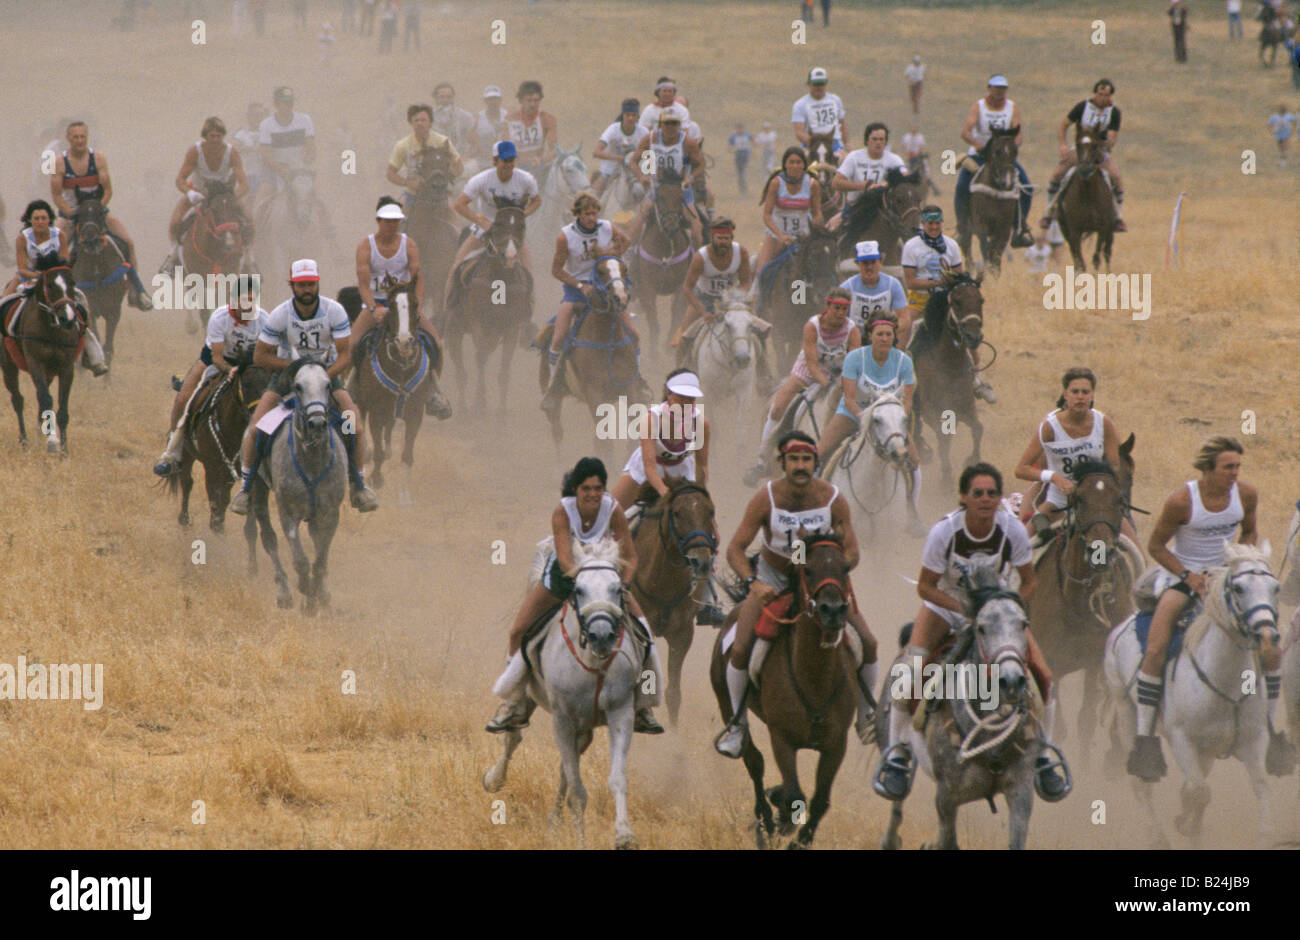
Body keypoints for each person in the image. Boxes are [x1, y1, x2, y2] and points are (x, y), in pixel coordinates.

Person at [873, 462, 1069, 802]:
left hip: (996, 612)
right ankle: (897, 754)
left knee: (1044, 676)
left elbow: (1030, 581)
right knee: (909, 673)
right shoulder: (944, 533)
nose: (985, 499)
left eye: (992, 493)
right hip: (946, 609)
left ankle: (1042, 755)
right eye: (977, 493)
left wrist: (1007, 606)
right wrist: (961, 609)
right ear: (963, 497)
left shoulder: (1013, 530)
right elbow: (925, 587)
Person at [1126, 437, 1290, 780]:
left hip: (1229, 578)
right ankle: (1145, 739)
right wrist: (1188, 576)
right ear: (1208, 469)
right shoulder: (1182, 500)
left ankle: (1271, 731)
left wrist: (1245, 561)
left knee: (1270, 645)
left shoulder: (1245, 494)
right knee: (1155, 648)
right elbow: (1156, 546)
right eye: (1227, 467)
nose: (1234, 473)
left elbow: (1250, 531)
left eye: (1237, 467)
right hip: (1185, 578)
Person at [718, 430, 881, 755]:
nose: (801, 466)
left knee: (869, 641)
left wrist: (835, 570)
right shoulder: (765, 498)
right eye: (794, 459)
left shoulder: (834, 498)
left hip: (822, 581)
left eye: (806, 459)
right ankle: (737, 725)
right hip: (774, 576)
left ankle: (865, 715)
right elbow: (735, 549)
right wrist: (755, 584)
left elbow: (853, 552)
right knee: (739, 647)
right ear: (783, 462)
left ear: (815, 461)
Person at [486, 457, 664, 735]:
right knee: (517, 632)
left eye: (598, 488)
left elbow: (630, 556)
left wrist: (623, 585)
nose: (593, 494)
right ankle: (514, 703)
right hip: (563, 580)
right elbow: (567, 561)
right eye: (586, 488)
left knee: (646, 636)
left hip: (606, 581)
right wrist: (584, 583)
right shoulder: (562, 512)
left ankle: (645, 703)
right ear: (575, 490)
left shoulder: (614, 509)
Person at [229, 259, 379, 516]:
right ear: (292, 286)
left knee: (353, 425)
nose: (306, 289)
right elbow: (260, 356)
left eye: (310, 284)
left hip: (327, 377)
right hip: (286, 379)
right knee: (257, 427)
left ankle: (358, 485)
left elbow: (345, 354)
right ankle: (247, 486)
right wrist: (294, 368)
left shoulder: (334, 312)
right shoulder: (280, 314)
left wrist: (320, 376)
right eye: (301, 285)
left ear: (317, 283)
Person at [609, 369, 722, 626]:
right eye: (681, 397)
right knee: (609, 514)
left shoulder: (701, 423)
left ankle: (706, 602)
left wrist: (702, 505)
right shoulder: (651, 419)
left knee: (710, 535)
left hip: (681, 469)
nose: (687, 404)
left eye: (691, 399)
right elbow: (650, 466)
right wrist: (666, 496)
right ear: (669, 396)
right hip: (646, 472)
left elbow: (702, 469)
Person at [1012, 367, 1136, 545]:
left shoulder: (1104, 423)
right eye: (1075, 391)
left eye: (1085, 392)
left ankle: (1101, 561)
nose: (1080, 396)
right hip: (1058, 503)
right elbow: (1020, 469)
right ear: (1065, 394)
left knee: (1134, 556)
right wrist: (1054, 477)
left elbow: (1114, 467)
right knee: (1021, 550)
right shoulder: (1049, 427)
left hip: (1096, 506)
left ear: (1092, 395)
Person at [153, 282, 267, 476]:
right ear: (233, 300)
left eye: (252, 300)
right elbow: (217, 357)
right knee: (184, 398)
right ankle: (172, 454)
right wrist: (231, 371)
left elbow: (265, 352)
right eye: (244, 300)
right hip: (216, 361)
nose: (248, 305)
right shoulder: (220, 317)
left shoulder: (264, 319)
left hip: (250, 366)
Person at [815, 311, 919, 523]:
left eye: (889, 334)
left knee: (915, 463)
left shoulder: (904, 362)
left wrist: (897, 418)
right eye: (880, 334)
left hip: (889, 419)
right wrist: (867, 418)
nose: (884, 338)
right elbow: (850, 398)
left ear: (894, 337)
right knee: (818, 452)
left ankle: (912, 513)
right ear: (870, 335)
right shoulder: (855, 358)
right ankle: (814, 508)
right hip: (853, 414)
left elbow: (907, 400)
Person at [746, 288, 859, 483]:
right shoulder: (812, 326)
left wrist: (842, 382)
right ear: (828, 306)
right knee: (778, 407)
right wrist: (826, 384)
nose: (841, 313)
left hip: (841, 376)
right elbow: (812, 364)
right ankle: (762, 461)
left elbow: (855, 362)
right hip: (808, 373)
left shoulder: (852, 329)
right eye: (837, 308)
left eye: (845, 309)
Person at [352, 197, 450, 417]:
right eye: (387, 221)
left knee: (437, 344)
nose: (392, 225)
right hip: (376, 304)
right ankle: (351, 390)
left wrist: (417, 306)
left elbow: (418, 277)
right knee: (352, 344)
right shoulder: (366, 246)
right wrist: (372, 308)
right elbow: (363, 284)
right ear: (378, 221)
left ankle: (433, 392)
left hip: (405, 305)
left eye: (395, 221)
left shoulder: (409, 244)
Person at [540, 192, 634, 414]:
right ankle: (553, 388)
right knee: (559, 336)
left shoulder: (606, 227)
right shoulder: (565, 236)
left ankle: (637, 380)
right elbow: (556, 270)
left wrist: (611, 257)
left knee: (634, 332)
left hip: (605, 286)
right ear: (578, 214)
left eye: (594, 213)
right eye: (587, 214)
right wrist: (581, 286)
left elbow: (626, 241)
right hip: (576, 291)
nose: (592, 218)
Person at [50, 121, 153, 310]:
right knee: (51, 247)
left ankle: (136, 291)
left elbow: (108, 190)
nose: (79, 141)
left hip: (97, 212)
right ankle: (50, 295)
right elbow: (56, 195)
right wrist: (72, 213)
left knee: (127, 242)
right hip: (71, 215)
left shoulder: (98, 158)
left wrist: (97, 211)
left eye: (83, 136)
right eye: (75, 137)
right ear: (68, 139)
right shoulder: (58, 162)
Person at [4, 199, 110, 378]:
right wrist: (39, 276)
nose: (39, 222)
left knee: (81, 303)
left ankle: (90, 353)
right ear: (30, 220)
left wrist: (52, 277)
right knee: (5, 301)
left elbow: (64, 262)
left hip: (55, 278)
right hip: (31, 277)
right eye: (36, 218)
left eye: (43, 218)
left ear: (49, 219)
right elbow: (22, 267)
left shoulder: (59, 235)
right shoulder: (23, 238)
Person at [901, 205, 994, 404]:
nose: (934, 227)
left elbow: (958, 274)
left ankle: (978, 379)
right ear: (923, 224)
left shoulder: (951, 245)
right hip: (920, 299)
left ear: (942, 223)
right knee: (904, 326)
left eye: (937, 223)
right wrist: (935, 283)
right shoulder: (911, 246)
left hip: (946, 299)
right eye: (929, 223)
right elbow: (910, 281)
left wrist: (966, 281)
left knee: (966, 327)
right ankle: (897, 372)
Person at [444, 140, 541, 312]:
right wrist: (480, 220)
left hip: (511, 234)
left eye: (512, 160)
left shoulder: (526, 180)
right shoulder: (481, 180)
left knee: (527, 265)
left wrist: (521, 215)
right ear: (495, 161)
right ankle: (449, 309)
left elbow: (537, 200)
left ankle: (529, 309)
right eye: (504, 161)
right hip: (485, 232)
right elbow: (459, 204)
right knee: (457, 264)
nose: (508, 165)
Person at [161, 117, 253, 276]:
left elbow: (244, 184)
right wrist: (190, 192)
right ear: (205, 136)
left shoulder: (231, 153)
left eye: (219, 136)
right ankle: (173, 256)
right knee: (176, 220)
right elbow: (180, 179)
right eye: (212, 136)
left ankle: (249, 261)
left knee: (249, 218)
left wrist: (232, 196)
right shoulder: (195, 152)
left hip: (224, 195)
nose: (216, 140)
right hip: (200, 194)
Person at [955, 75, 1034, 249]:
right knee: (962, 186)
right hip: (980, 154)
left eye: (1003, 88)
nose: (999, 91)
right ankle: (962, 228)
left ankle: (1020, 228)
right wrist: (978, 145)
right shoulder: (979, 106)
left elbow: (1017, 131)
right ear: (989, 88)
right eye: (996, 88)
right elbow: (966, 132)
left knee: (1027, 187)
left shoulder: (1012, 107)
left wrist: (1012, 146)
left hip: (1003, 157)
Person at [1039, 80, 1126, 232]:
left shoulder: (1114, 112)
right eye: (1099, 94)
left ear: (1110, 96)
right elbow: (1063, 125)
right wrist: (1063, 145)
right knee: (1057, 175)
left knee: (1116, 178)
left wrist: (1106, 145)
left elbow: (1112, 136)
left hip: (1100, 151)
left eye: (1106, 95)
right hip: (1080, 149)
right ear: (1095, 93)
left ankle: (1117, 216)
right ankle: (1049, 212)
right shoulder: (1082, 106)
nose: (1102, 98)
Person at [752, 146, 823, 307]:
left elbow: (818, 213)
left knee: (822, 267)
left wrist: (818, 224)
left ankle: (814, 302)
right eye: (791, 162)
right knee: (762, 270)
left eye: (799, 162)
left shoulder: (813, 184)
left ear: (804, 165)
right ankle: (759, 304)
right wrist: (781, 235)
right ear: (785, 164)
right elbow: (767, 215)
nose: (795, 166)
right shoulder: (776, 183)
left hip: (803, 235)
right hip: (778, 234)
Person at [626, 105, 705, 248]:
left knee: (696, 227)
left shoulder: (688, 142)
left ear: (679, 125)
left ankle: (698, 258)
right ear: (661, 124)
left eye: (674, 123)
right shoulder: (650, 139)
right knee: (640, 217)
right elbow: (633, 161)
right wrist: (641, 177)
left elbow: (700, 165)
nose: (670, 127)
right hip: (656, 187)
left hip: (681, 189)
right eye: (667, 123)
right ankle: (629, 253)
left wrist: (690, 179)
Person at [672, 216, 754, 349]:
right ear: (712, 238)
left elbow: (746, 281)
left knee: (757, 329)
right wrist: (703, 311)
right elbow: (687, 288)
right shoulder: (701, 257)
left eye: (726, 238)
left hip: (731, 300)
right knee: (685, 338)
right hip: (704, 297)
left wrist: (736, 297)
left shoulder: (741, 252)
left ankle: (763, 365)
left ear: (731, 238)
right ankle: (681, 367)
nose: (723, 242)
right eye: (720, 238)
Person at [830, 123, 906, 237]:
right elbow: (836, 183)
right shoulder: (854, 157)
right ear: (867, 140)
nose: (878, 142)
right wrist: (861, 186)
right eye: (874, 139)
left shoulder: (894, 160)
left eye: (881, 139)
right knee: (833, 234)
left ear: (885, 142)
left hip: (884, 208)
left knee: (908, 233)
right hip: (856, 207)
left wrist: (889, 184)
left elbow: (905, 179)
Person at [386, 104, 462, 212]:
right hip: (413, 195)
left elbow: (459, 165)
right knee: (395, 217)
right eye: (416, 120)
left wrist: (446, 178)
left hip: (440, 195)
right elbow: (390, 174)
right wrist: (408, 183)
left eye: (423, 120)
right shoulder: (402, 145)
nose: (419, 123)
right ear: (411, 122)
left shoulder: (442, 141)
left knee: (456, 218)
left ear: (430, 122)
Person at [839, 239, 909, 343]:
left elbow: (904, 318)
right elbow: (836, 318)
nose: (869, 267)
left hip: (883, 340)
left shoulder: (893, 285)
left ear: (881, 261)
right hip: (854, 340)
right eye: (865, 263)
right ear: (857, 263)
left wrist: (887, 331)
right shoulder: (846, 287)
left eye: (873, 262)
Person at [502, 81, 557, 189]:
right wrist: (517, 161)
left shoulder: (547, 119)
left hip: (538, 166)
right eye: (529, 100)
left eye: (536, 100)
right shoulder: (510, 119)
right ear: (521, 101)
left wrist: (542, 159)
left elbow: (554, 149)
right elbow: (505, 147)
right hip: (515, 165)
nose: (533, 104)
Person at [591, 99, 648, 199]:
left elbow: (651, 155)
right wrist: (619, 158)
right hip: (611, 170)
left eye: (633, 115)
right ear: (623, 115)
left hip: (635, 170)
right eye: (627, 115)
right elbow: (596, 152)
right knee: (594, 195)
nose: (630, 118)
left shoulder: (643, 132)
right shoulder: (613, 129)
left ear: (637, 117)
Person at [791, 67, 848, 163]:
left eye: (821, 84)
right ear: (809, 84)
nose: (819, 87)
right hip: (811, 145)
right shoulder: (800, 104)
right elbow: (799, 132)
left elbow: (843, 124)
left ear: (826, 84)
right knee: (798, 163)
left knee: (847, 162)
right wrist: (815, 142)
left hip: (834, 144)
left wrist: (847, 144)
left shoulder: (835, 100)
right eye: (815, 84)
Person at [431, 82, 477, 158]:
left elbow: (475, 144)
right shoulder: (428, 118)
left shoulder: (465, 117)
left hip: (462, 158)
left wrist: (464, 159)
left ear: (453, 98)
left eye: (449, 97)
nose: (445, 100)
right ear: (435, 98)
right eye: (442, 97)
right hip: (435, 160)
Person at [472, 86, 507, 166]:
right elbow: (473, 142)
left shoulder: (507, 117)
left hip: (505, 159)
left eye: (495, 98)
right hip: (482, 160)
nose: (493, 102)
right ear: (485, 101)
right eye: (490, 99)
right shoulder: (477, 119)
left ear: (500, 100)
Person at [728, 123, 754, 195]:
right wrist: (732, 149)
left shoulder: (747, 135)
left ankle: (744, 189)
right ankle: (742, 189)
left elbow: (753, 142)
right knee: (740, 174)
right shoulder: (733, 137)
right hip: (738, 156)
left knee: (742, 173)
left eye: (741, 129)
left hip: (745, 155)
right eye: (738, 129)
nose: (740, 130)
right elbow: (730, 147)